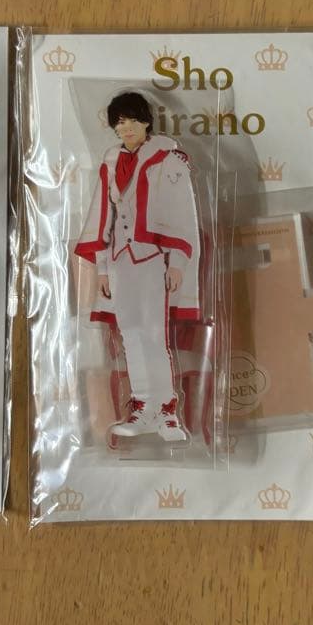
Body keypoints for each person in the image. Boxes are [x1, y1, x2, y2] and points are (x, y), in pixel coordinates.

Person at [74, 91, 200, 443]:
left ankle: (167, 410)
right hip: (120, 260)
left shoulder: (167, 160)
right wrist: (102, 269)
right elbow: (103, 216)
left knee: (154, 333)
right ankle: (143, 406)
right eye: (120, 123)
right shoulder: (111, 162)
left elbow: (179, 213)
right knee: (130, 333)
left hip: (151, 260)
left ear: (146, 122)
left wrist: (177, 262)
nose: (126, 128)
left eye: (132, 120)